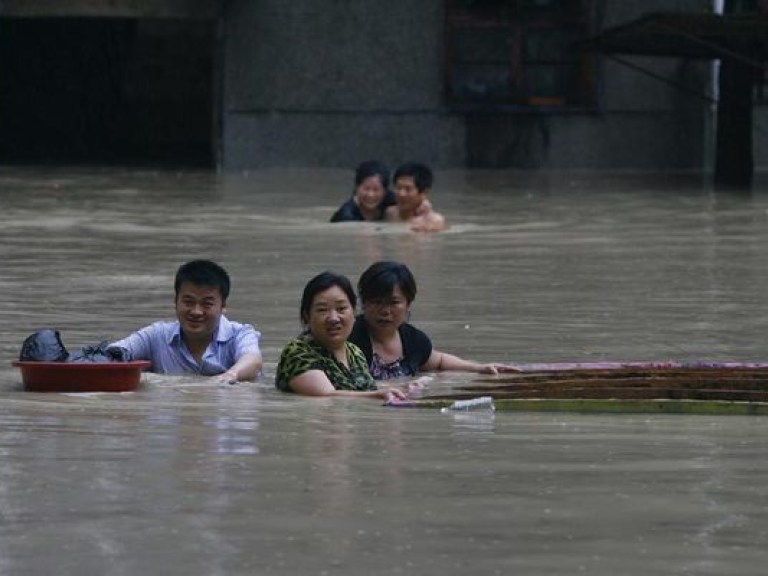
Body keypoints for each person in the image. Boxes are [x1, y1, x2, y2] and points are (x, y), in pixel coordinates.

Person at [349, 261, 519, 379]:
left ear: (408, 303)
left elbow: (439, 361)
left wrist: (479, 368)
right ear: (363, 303)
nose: (385, 311)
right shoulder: (349, 338)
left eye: (394, 303)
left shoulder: (414, 340)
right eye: (377, 302)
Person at [108, 259, 262, 382]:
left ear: (223, 306)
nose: (196, 311)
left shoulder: (240, 334)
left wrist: (230, 376)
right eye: (188, 302)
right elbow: (112, 353)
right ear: (175, 302)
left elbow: (253, 360)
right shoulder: (155, 336)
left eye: (207, 304)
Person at [275, 271, 407, 400]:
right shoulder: (297, 352)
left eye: (341, 309)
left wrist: (400, 390)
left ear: (353, 313)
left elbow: (366, 391)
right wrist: (378, 396)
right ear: (307, 316)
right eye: (322, 310)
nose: (333, 318)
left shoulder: (355, 353)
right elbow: (326, 396)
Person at [385, 162, 446, 232]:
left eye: (408, 189)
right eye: (398, 188)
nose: (401, 194)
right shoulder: (390, 213)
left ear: (424, 192)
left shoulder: (434, 221)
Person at [330, 160, 396, 222]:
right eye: (366, 188)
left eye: (376, 190)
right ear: (356, 188)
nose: (370, 195)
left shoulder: (392, 203)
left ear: (385, 192)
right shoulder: (345, 216)